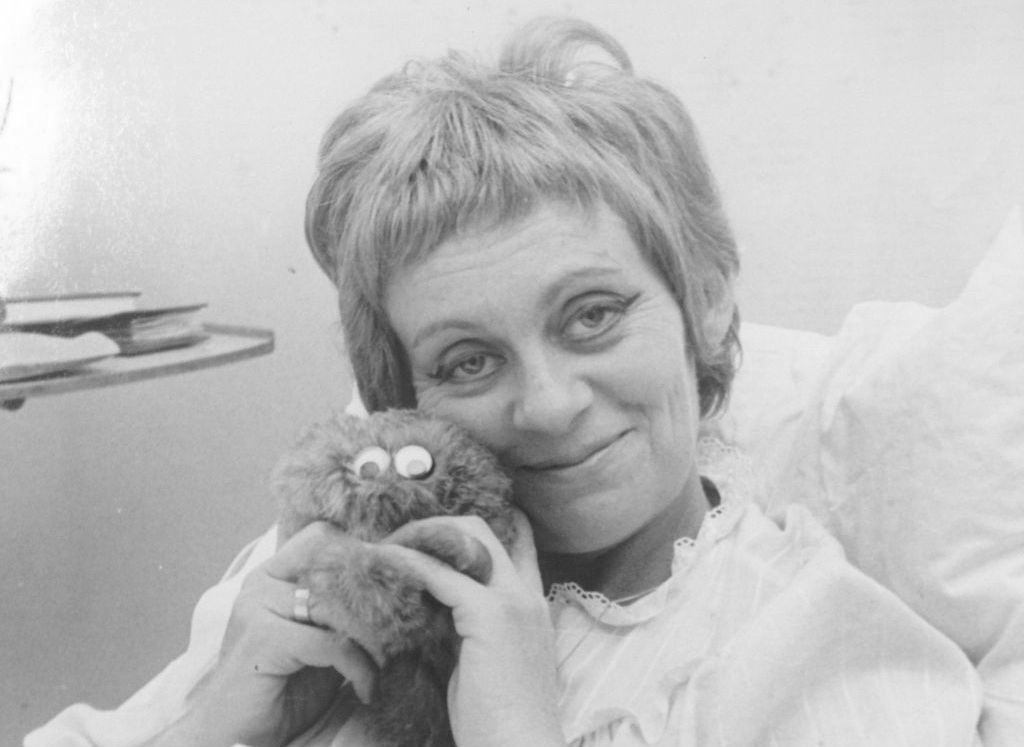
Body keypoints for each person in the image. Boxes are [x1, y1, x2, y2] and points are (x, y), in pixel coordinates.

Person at [27, 16, 985, 747]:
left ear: (707, 301)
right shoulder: (335, 577)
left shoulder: (824, 652)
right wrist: (213, 724)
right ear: (403, 397)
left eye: (593, 315)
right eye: (468, 361)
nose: (549, 402)